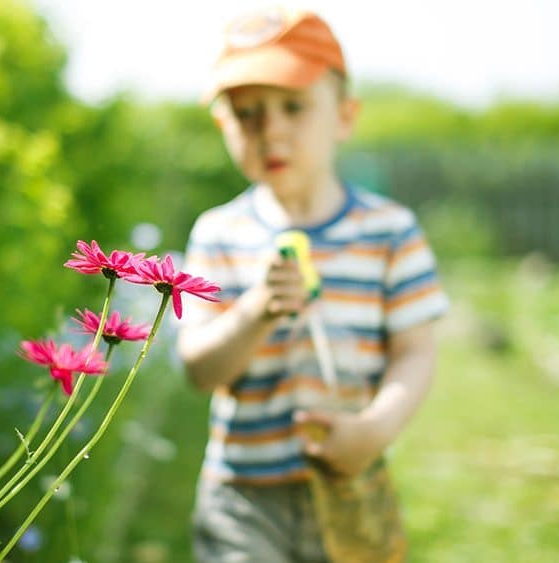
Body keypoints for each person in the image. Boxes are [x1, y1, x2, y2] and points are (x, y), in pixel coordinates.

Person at [176, 7, 449, 562]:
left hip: (351, 485)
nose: (270, 129)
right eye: (246, 113)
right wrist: (258, 309)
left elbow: (415, 353)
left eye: (293, 107)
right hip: (243, 498)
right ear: (223, 127)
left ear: (344, 117)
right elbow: (199, 369)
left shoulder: (388, 231)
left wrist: (374, 429)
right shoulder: (219, 233)